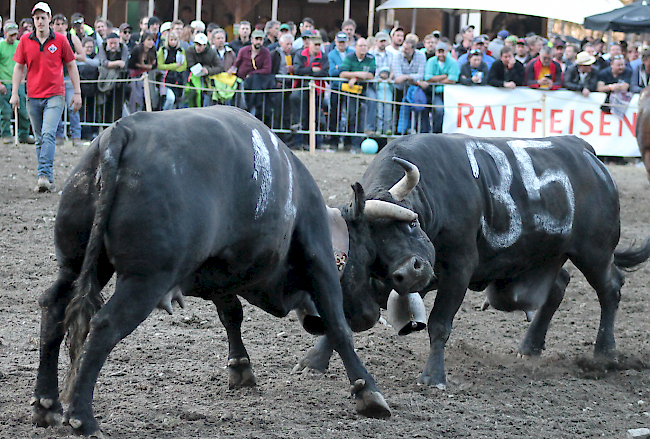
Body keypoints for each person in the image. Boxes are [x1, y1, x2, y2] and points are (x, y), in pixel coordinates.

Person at [11, 2, 81, 192]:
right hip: (32, 95)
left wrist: (77, 92)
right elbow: (19, 67)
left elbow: (72, 65)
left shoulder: (60, 40)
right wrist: (15, 93)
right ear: (33, 20)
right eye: (37, 18)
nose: (40, 21)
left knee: (49, 133)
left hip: (55, 95)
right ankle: (47, 177)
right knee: (40, 137)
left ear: (50, 19)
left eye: (43, 17)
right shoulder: (25, 40)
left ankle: (43, 175)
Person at [52, 13, 86, 147]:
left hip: (69, 77)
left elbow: (83, 56)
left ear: (67, 26)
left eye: (62, 24)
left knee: (73, 107)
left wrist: (69, 56)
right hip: (55, 77)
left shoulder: (72, 38)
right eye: (57, 24)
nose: (60, 27)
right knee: (56, 107)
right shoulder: (50, 39)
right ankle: (58, 135)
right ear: (52, 25)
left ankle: (76, 136)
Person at [290, 34, 329, 149]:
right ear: (310, 44)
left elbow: (325, 72)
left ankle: (315, 143)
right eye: (315, 45)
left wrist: (307, 72)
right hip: (301, 87)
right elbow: (297, 70)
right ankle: (299, 143)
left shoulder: (324, 56)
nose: (317, 47)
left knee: (316, 116)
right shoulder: (300, 54)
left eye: (319, 45)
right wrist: (313, 70)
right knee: (301, 115)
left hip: (317, 90)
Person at [338, 37, 375, 152]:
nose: (363, 48)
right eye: (361, 46)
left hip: (366, 88)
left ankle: (369, 129)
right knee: (351, 115)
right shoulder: (350, 57)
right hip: (352, 90)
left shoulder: (370, 58)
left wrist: (355, 77)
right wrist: (358, 75)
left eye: (365, 46)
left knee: (372, 101)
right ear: (355, 47)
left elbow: (371, 75)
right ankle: (348, 142)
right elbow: (342, 73)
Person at [0, 21, 33, 144]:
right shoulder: (1, 46)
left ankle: (24, 134)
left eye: (15, 35)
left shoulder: (20, 45)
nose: (13, 37)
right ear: (5, 33)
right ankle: (6, 134)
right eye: (10, 35)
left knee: (23, 110)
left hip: (19, 83)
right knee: (6, 112)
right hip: (5, 82)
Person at [231, 29, 274, 120]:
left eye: (261, 39)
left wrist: (252, 74)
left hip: (256, 84)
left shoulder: (266, 52)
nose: (258, 42)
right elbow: (237, 64)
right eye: (257, 39)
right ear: (252, 40)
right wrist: (232, 71)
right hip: (242, 81)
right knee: (241, 104)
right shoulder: (243, 50)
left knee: (254, 102)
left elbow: (267, 69)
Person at [424, 41, 459, 133]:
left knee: (452, 112)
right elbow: (427, 78)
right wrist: (444, 76)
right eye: (439, 52)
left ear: (447, 52)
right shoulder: (431, 61)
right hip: (436, 92)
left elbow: (453, 79)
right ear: (435, 52)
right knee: (439, 110)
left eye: (443, 51)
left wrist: (436, 80)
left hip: (451, 93)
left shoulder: (452, 62)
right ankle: (437, 132)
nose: (441, 54)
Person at [327, 31, 354, 145]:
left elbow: (353, 68)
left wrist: (340, 68)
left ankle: (348, 140)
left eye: (344, 42)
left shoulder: (352, 52)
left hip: (350, 88)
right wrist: (346, 68)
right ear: (336, 41)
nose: (342, 44)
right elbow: (332, 71)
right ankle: (334, 140)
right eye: (339, 42)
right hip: (336, 87)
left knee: (351, 114)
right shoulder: (331, 54)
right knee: (334, 114)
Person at [96, 31, 128, 123]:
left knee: (118, 106)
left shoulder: (123, 47)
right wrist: (116, 63)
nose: (113, 46)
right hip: (105, 80)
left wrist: (110, 64)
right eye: (111, 43)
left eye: (115, 43)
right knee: (104, 106)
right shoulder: (102, 47)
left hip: (119, 82)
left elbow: (123, 64)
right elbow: (103, 62)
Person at [186, 32, 223, 107]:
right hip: (191, 78)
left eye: (200, 45)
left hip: (207, 80)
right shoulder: (190, 50)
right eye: (196, 44)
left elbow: (220, 67)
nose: (197, 47)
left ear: (205, 45)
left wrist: (208, 70)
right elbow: (189, 65)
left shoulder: (211, 52)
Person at [127, 31, 157, 112]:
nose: (151, 42)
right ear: (143, 41)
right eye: (149, 40)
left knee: (151, 94)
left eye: (152, 40)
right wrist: (143, 66)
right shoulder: (137, 50)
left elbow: (154, 65)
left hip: (148, 75)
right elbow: (131, 64)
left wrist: (147, 67)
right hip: (135, 75)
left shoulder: (153, 50)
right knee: (136, 95)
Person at [157, 30, 187, 110]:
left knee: (176, 100)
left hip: (177, 79)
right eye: (171, 40)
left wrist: (176, 69)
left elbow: (184, 66)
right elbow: (160, 66)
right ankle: (164, 112)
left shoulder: (181, 50)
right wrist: (174, 66)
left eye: (175, 40)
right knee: (170, 98)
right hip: (165, 79)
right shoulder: (162, 50)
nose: (173, 42)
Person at [77, 36, 100, 140]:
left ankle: (93, 132)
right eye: (87, 47)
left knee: (93, 111)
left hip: (93, 90)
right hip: (81, 90)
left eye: (91, 47)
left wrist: (84, 59)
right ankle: (83, 132)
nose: (89, 49)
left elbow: (98, 63)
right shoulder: (77, 59)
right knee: (81, 112)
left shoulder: (96, 57)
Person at [375, 66, 394, 135]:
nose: (384, 75)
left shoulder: (390, 82)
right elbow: (375, 88)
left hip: (388, 100)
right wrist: (377, 82)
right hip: (379, 100)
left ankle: (387, 129)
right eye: (383, 73)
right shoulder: (378, 82)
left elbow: (393, 88)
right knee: (379, 115)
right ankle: (379, 129)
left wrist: (390, 81)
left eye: (386, 73)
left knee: (388, 116)